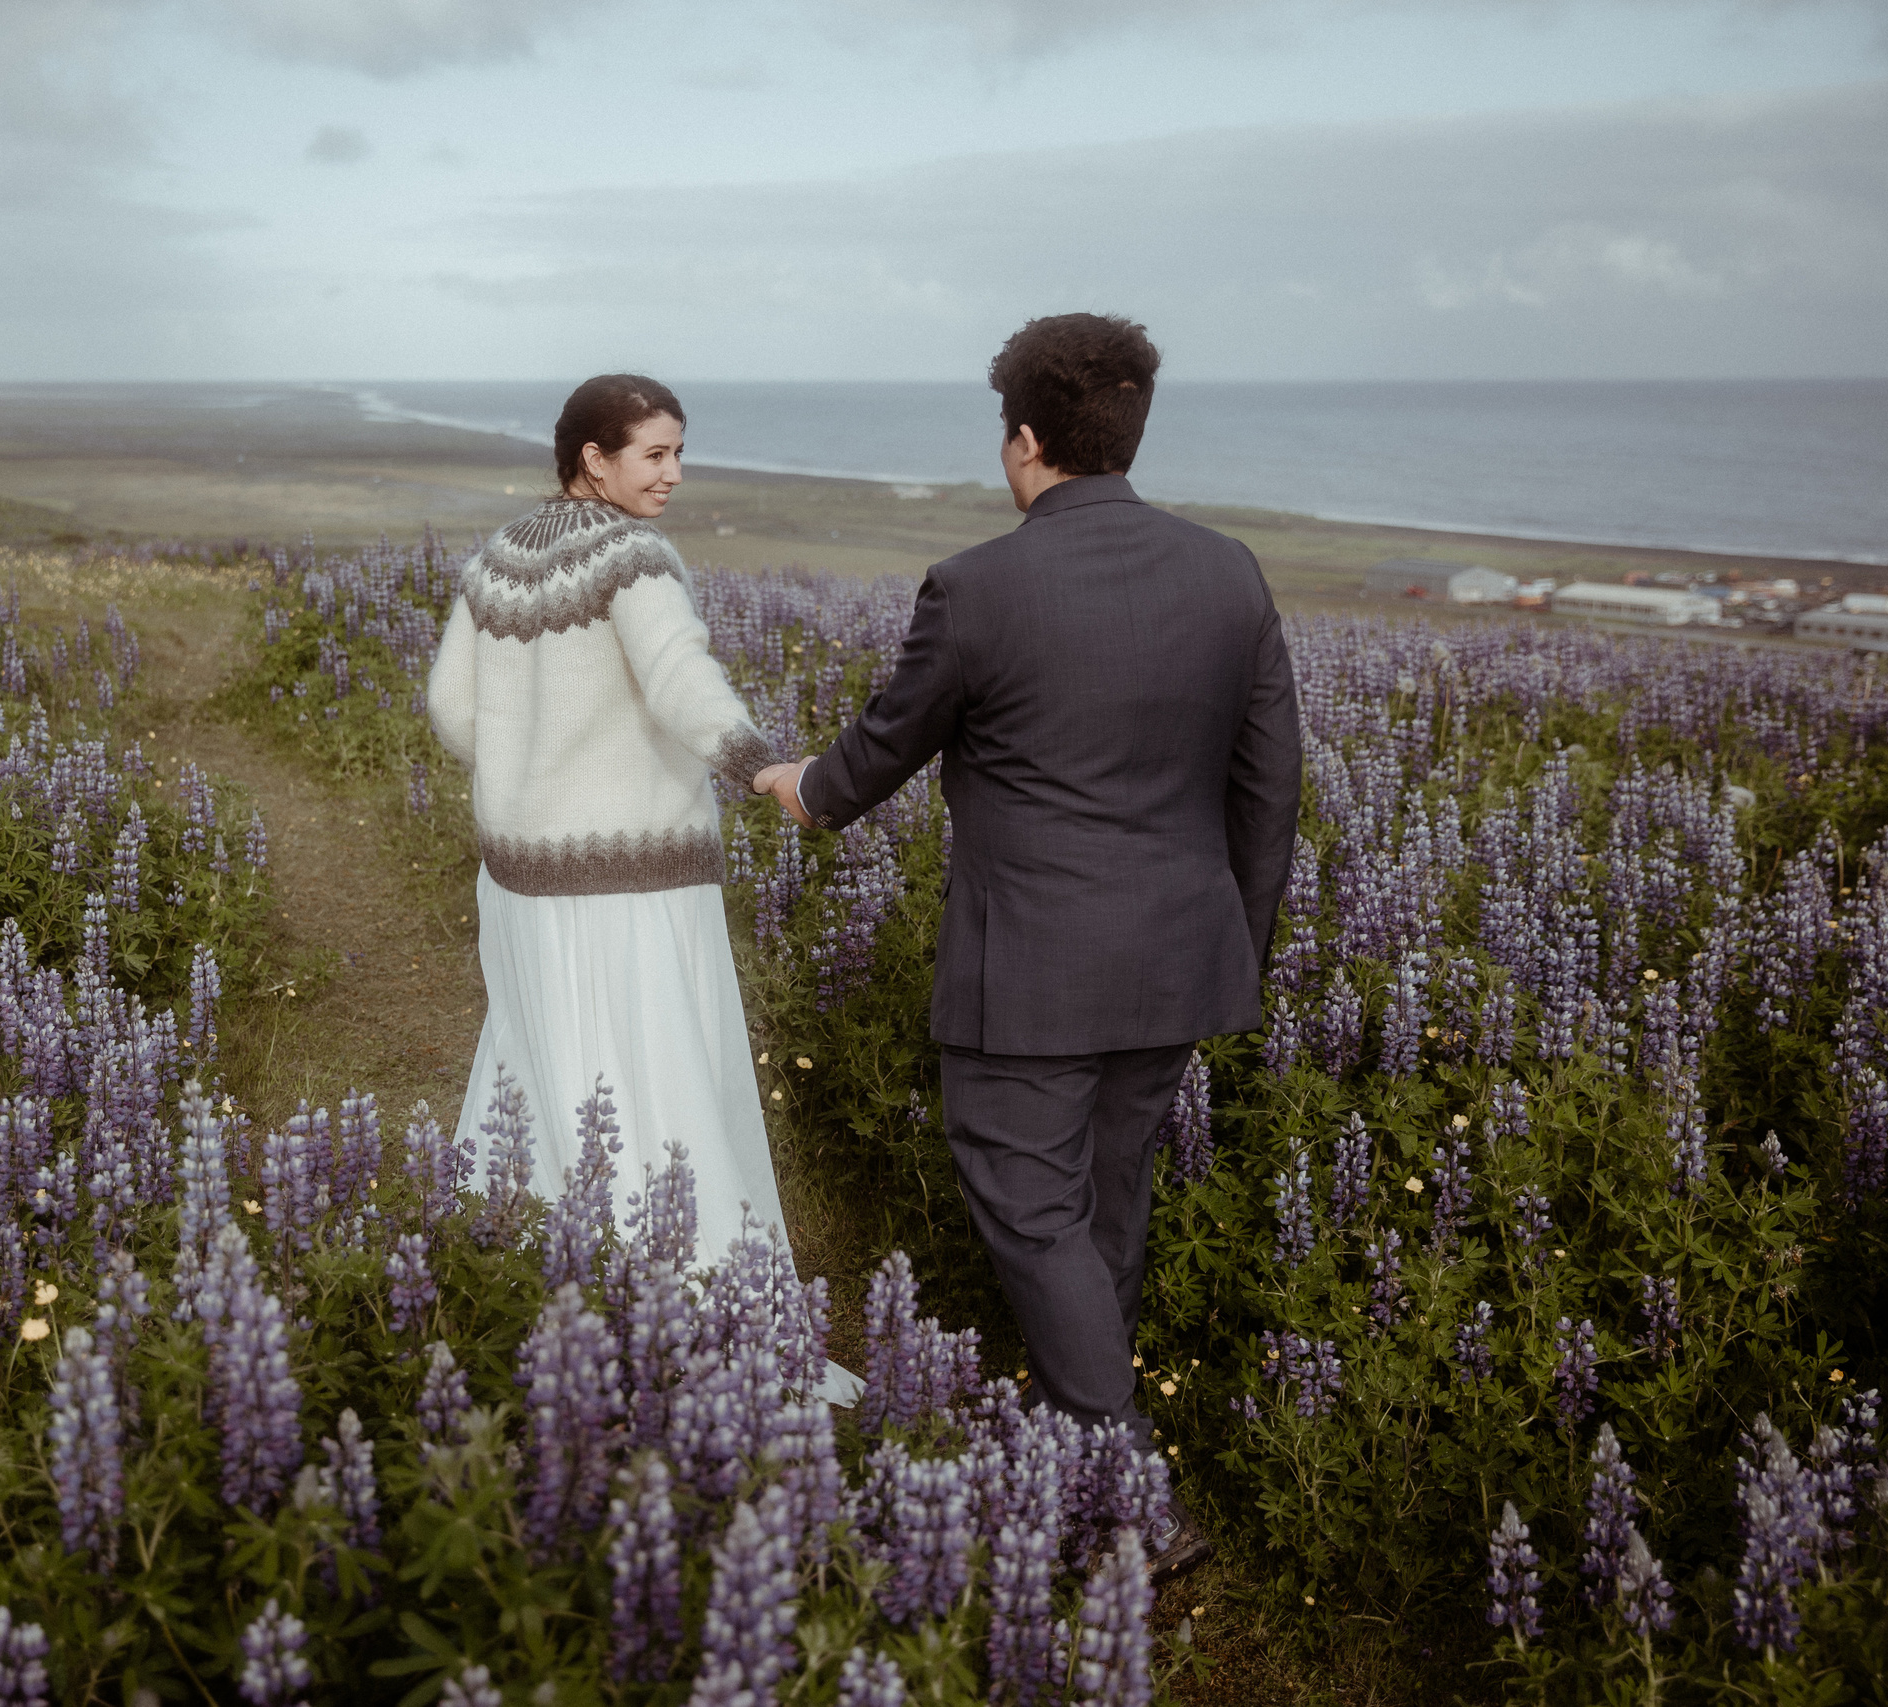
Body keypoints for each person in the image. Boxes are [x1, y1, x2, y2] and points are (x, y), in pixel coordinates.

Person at [753, 314, 1303, 1571]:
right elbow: (1270, 790)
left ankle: (1126, 1498)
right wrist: (1236, 949)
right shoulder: (1230, 571)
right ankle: (1075, 1462)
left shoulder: (978, 584)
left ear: (1023, 441)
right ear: (1126, 432)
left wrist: (801, 786)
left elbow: (877, 755)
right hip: (1179, 957)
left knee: (1031, 1205)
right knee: (1105, 1203)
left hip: (1031, 973)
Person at [428, 375, 861, 1402]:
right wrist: (757, 764)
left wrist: (527, 770)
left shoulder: (497, 560)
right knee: (658, 1082)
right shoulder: (632, 557)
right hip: (633, 880)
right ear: (594, 459)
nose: (672, 473)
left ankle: (529, 1295)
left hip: (521, 878)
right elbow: (679, 679)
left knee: (543, 1071)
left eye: (678, 452)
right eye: (654, 454)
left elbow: (451, 706)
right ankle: (695, 1318)